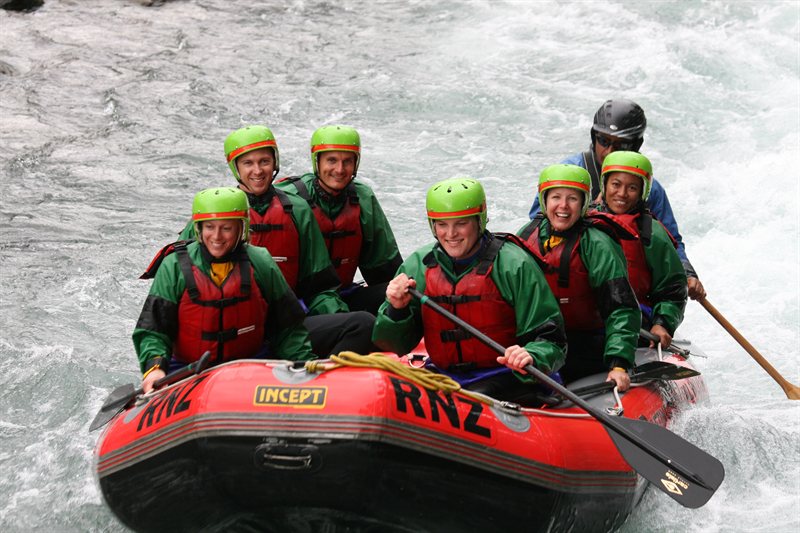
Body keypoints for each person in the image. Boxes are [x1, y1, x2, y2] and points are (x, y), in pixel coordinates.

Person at [176, 125, 377, 357]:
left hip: (283, 326)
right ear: (235, 168)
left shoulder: (297, 209)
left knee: (361, 324)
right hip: (232, 331)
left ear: (275, 162)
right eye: (248, 163)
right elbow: (177, 284)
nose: (258, 171)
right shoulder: (212, 217)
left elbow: (319, 286)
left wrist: (337, 319)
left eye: (264, 161)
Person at [372, 177, 566, 403]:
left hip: (505, 374)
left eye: (461, 223)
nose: (451, 234)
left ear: (479, 220)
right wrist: (396, 310)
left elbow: (552, 340)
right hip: (446, 374)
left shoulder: (514, 264)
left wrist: (532, 354)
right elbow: (391, 345)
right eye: (442, 224)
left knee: (472, 398)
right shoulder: (418, 265)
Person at [134, 187, 314, 392]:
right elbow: (154, 330)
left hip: (251, 366)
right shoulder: (174, 265)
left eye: (226, 228)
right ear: (199, 229)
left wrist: (303, 367)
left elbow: (288, 328)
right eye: (210, 227)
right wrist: (155, 368)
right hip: (188, 369)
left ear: (241, 229)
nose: (217, 236)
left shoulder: (261, 261)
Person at [526, 99, 706, 300]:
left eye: (621, 145)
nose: (610, 151)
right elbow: (538, 226)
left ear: (636, 146)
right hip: (575, 283)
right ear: (594, 138)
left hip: (628, 290)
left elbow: (671, 243)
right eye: (604, 141)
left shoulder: (650, 189)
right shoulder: (568, 173)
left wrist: (687, 273)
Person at [518, 165, 640, 390]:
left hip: (587, 346)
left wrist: (619, 364)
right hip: (539, 344)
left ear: (584, 203)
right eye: (556, 197)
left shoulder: (597, 244)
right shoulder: (527, 235)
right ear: (544, 201)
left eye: (572, 198)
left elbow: (621, 308)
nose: (563, 206)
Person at [275, 125, 402, 315]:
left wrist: (403, 295)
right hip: (301, 303)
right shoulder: (289, 200)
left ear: (355, 164)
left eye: (347, 161)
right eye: (332, 160)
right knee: (355, 321)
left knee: (405, 294)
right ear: (317, 162)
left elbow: (385, 268)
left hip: (343, 295)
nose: (340, 169)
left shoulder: (362, 197)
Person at [591, 151, 688, 349]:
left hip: (637, 322)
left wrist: (662, 324)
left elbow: (673, 290)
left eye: (632, 188)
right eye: (615, 185)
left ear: (643, 192)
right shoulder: (584, 224)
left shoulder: (653, 233)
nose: (622, 194)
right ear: (604, 186)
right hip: (589, 323)